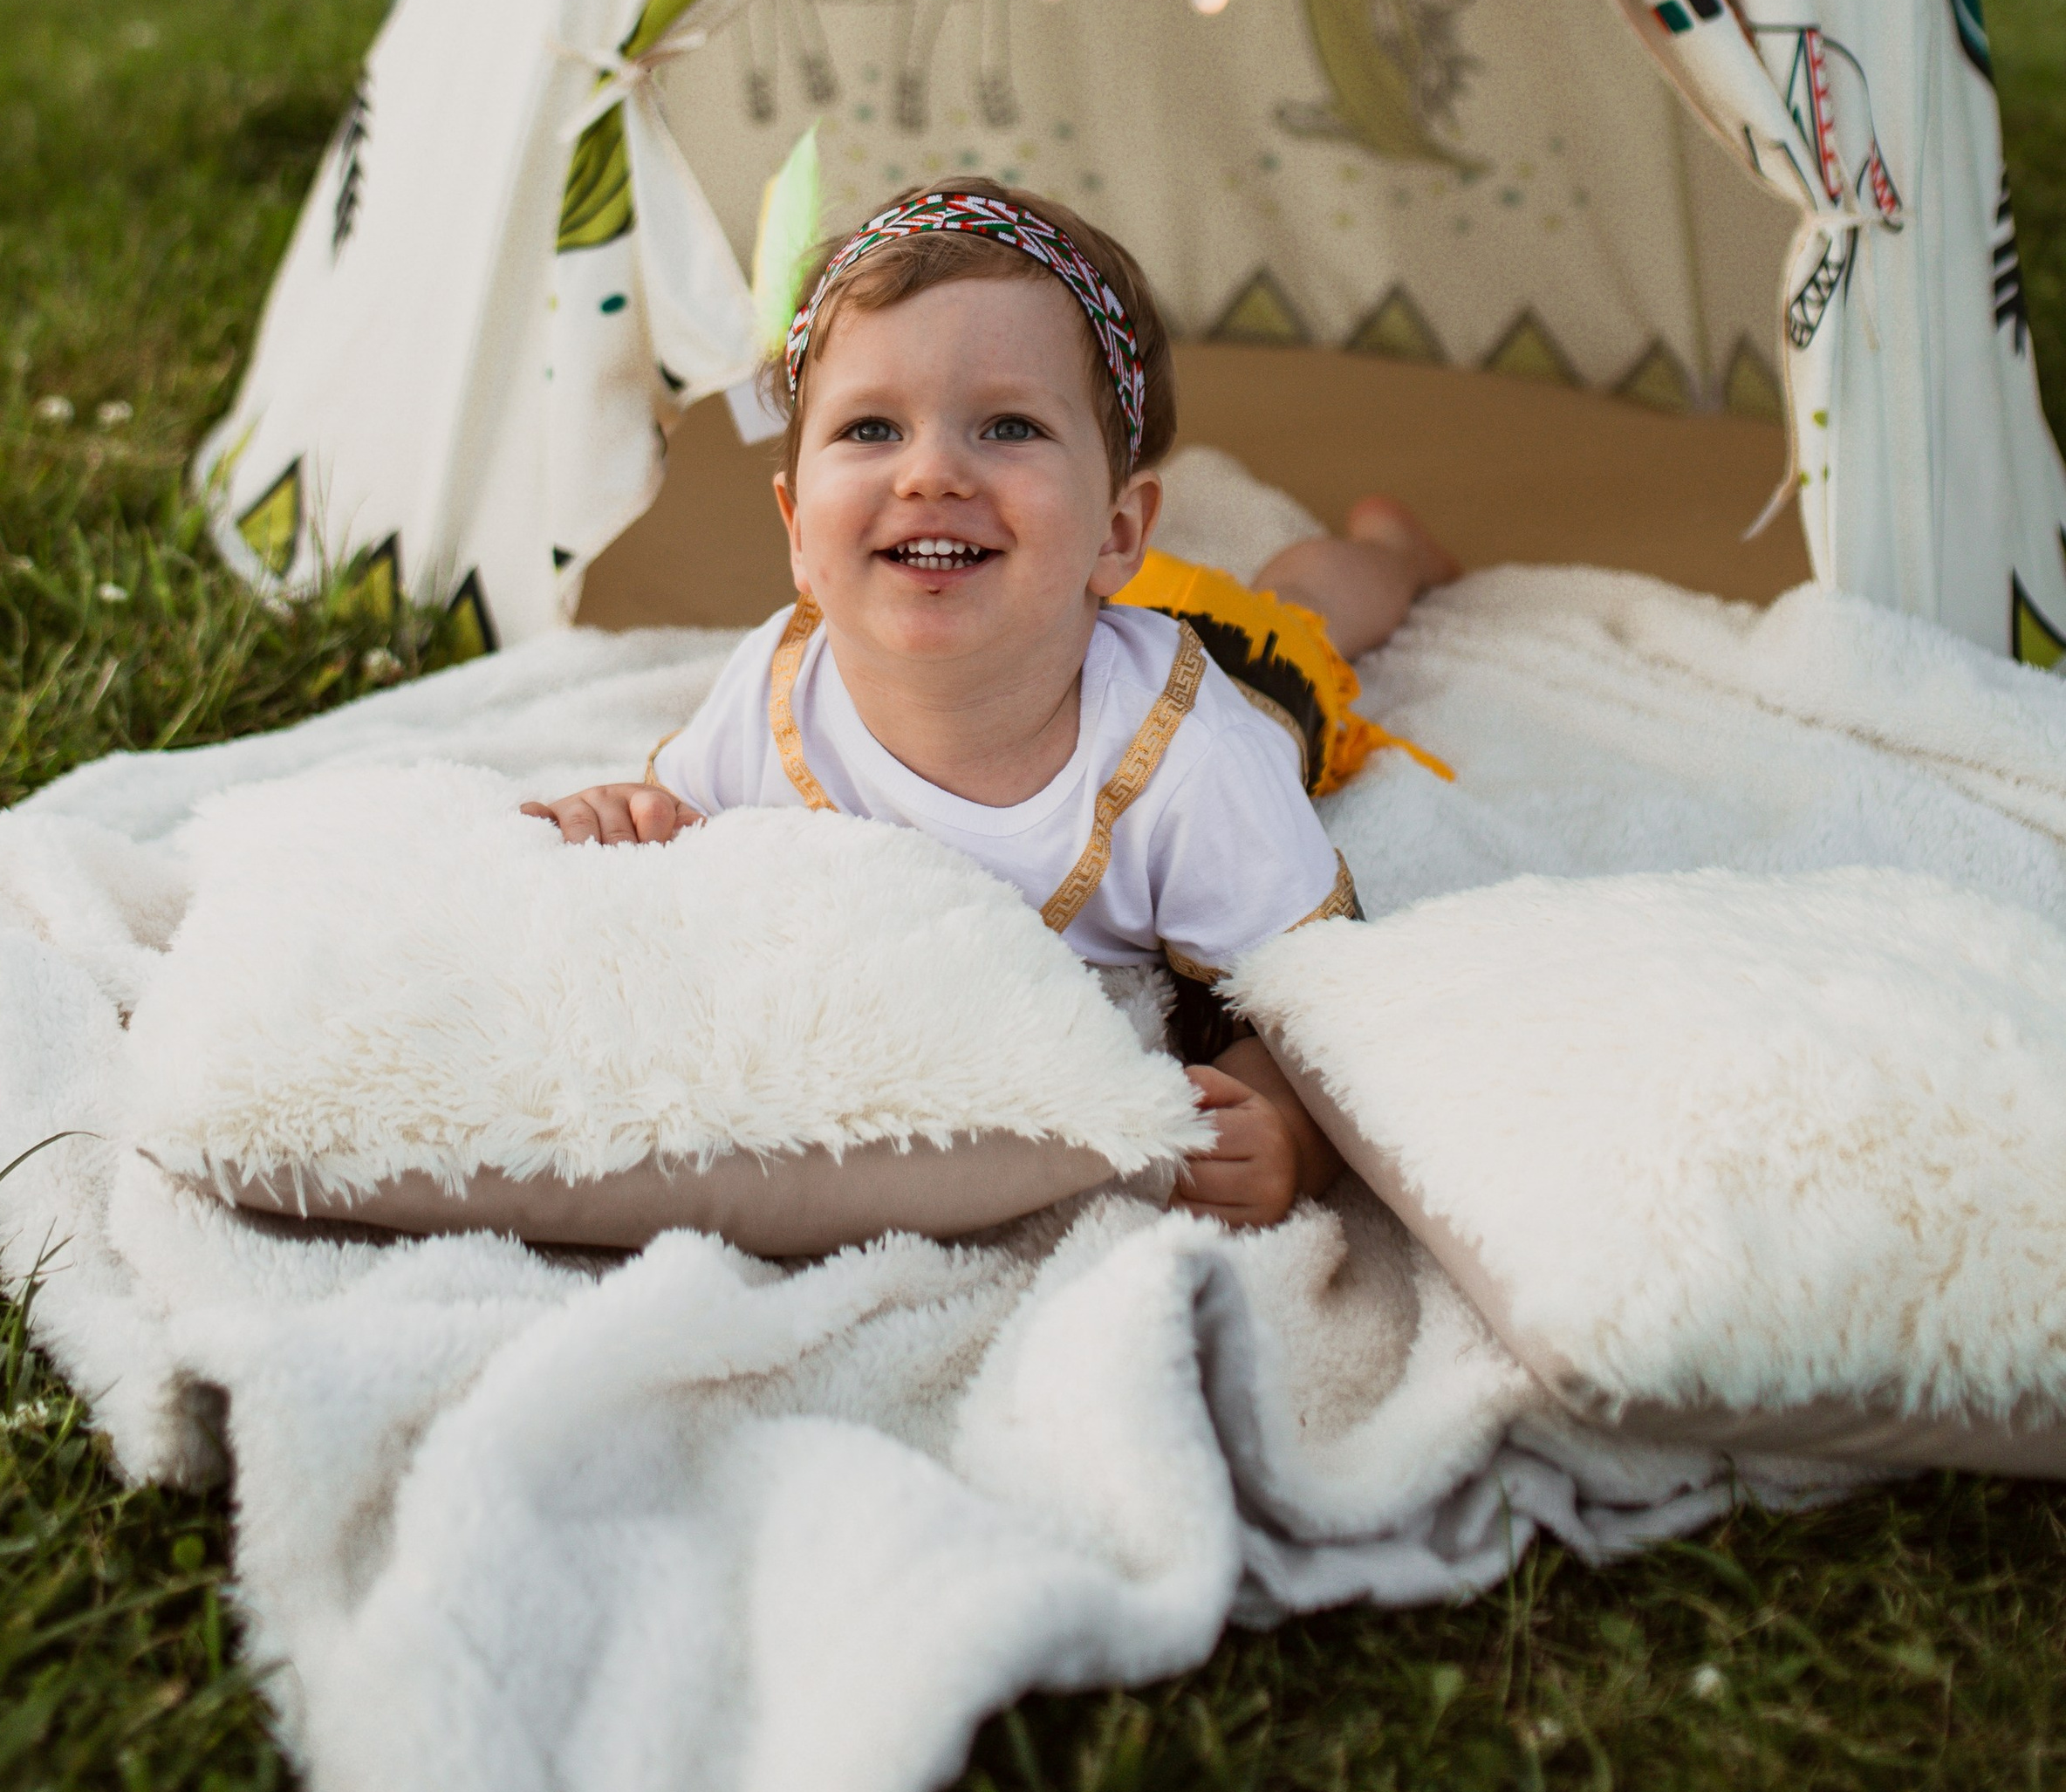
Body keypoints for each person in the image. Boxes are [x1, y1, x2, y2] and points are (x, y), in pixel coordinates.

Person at [524, 178, 1456, 1229]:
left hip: (1234, 659)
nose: (930, 473)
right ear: (795, 531)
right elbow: (680, 821)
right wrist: (627, 815)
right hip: (1060, 597)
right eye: (871, 429)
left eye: (1007, 426)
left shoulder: (1190, 758)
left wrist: (1290, 1127)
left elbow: (1321, 997)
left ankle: (1390, 552)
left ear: (1115, 530)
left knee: (1308, 610)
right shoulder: (777, 687)